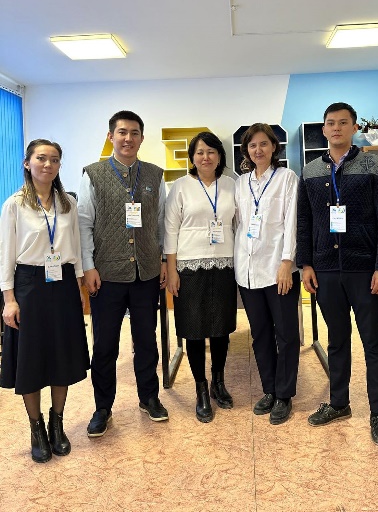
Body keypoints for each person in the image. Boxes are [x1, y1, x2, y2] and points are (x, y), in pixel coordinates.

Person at [297, 102, 378, 445]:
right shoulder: (310, 171)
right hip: (325, 269)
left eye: (343, 123)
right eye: (331, 123)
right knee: (337, 340)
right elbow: (304, 221)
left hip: (365, 269)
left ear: (355, 128)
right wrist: (306, 264)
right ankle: (339, 403)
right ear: (324, 129)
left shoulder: (376, 166)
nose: (336, 128)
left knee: (373, 342)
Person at [78, 110, 168, 437]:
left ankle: (149, 397)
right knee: (105, 345)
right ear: (111, 136)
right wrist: (88, 266)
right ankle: (103, 407)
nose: (128, 138)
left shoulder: (155, 175)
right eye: (122, 132)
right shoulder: (93, 174)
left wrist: (162, 260)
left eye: (134, 133)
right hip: (106, 274)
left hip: (146, 272)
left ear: (142, 138)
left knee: (146, 340)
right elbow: (83, 223)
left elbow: (161, 223)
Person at [0, 139, 90, 463]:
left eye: (54, 159)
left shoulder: (67, 203)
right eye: (41, 158)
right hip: (29, 284)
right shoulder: (15, 204)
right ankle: (36, 428)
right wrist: (9, 300)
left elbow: (75, 246)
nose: (48, 165)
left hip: (63, 282)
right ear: (27, 163)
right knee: (32, 358)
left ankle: (57, 423)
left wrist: (79, 286)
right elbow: (6, 255)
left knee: (62, 354)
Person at [165, 131, 236, 423]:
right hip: (189, 267)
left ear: (219, 155)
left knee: (221, 328)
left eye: (211, 151)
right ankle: (201, 388)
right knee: (194, 329)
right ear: (192, 158)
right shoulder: (180, 187)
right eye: (199, 152)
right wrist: (171, 270)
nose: (205, 157)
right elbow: (170, 229)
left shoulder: (231, 184)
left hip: (225, 263)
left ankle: (218, 381)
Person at [235, 123, 300, 425]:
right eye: (252, 145)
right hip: (247, 271)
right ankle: (270, 389)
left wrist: (287, 262)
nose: (258, 150)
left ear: (274, 147)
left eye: (263, 144)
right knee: (260, 333)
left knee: (285, 334)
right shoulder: (241, 183)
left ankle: (285, 395)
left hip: (278, 269)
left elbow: (292, 222)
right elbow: (238, 224)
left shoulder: (287, 178)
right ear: (246, 151)